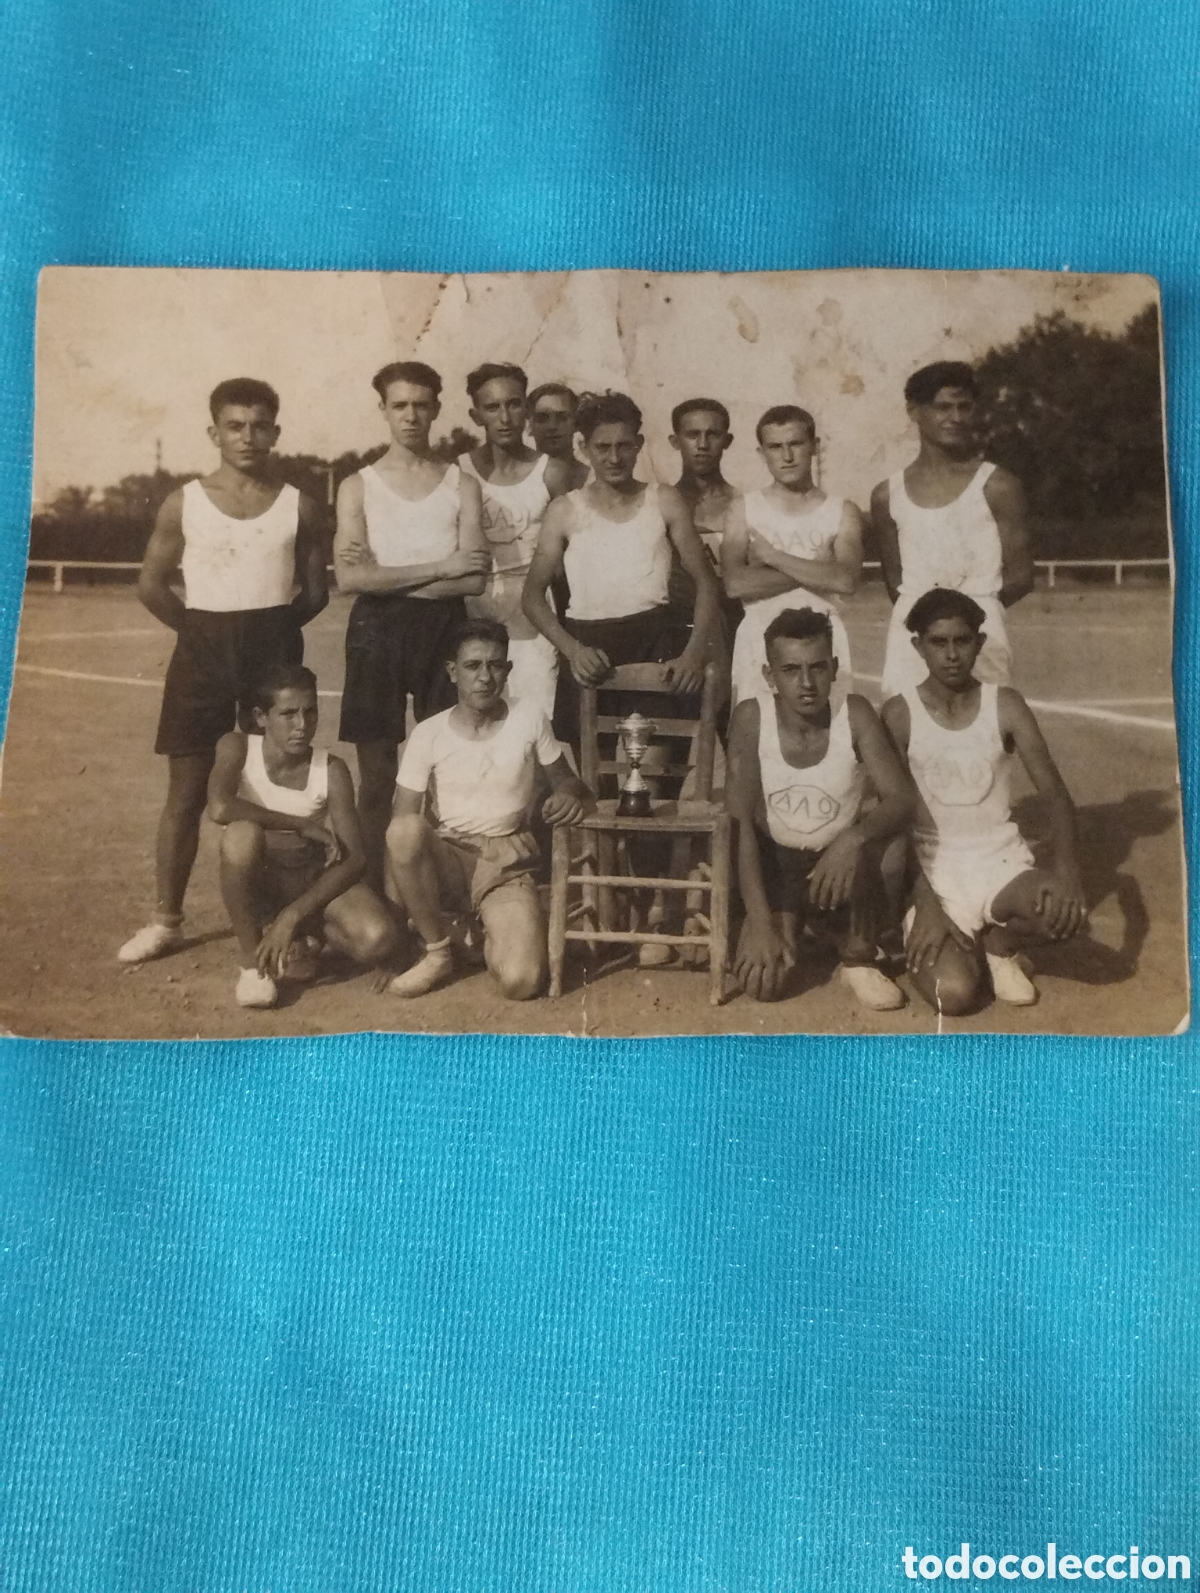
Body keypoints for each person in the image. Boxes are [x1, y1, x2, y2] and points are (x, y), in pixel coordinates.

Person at [117, 378, 328, 965]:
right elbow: (151, 586)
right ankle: (166, 920)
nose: (247, 437)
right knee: (187, 794)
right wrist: (199, 632)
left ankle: (285, 920)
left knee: (275, 789)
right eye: (235, 425)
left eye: (260, 426)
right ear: (214, 432)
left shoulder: (298, 504)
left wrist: (272, 632)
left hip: (273, 656)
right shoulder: (183, 501)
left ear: (276, 433)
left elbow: (316, 593)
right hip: (202, 656)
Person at [880, 589, 1086, 1014]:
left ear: (980, 642)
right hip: (934, 873)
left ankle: (1000, 944)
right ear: (918, 646)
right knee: (954, 994)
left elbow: (1056, 796)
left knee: (1065, 911)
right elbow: (893, 822)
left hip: (1000, 864)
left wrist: (1068, 875)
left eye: (962, 640)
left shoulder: (1005, 704)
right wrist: (926, 904)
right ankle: (951, 941)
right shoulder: (900, 714)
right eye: (939, 642)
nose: (952, 654)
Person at [333, 360, 488, 891]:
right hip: (376, 632)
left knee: (447, 769)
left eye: (421, 405)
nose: (411, 415)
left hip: (444, 628)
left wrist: (386, 578)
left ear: (437, 409)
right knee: (377, 776)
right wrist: (442, 566)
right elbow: (351, 579)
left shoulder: (462, 484)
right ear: (383, 409)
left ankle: (444, 896)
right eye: (399, 404)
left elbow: (472, 580)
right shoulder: (357, 485)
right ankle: (375, 896)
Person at [385, 620, 595, 1000]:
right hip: (449, 858)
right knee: (405, 830)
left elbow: (566, 780)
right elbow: (400, 828)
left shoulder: (528, 716)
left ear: (508, 670)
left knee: (522, 980)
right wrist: (399, 915)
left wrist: (567, 793)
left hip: (505, 863)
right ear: (453, 671)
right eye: (472, 666)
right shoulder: (428, 732)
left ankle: (475, 936)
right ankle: (438, 951)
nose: (485, 677)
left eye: (495, 665)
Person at [727, 608, 913, 1011]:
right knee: (764, 983)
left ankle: (857, 956)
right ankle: (796, 924)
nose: (807, 683)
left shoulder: (855, 713)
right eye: (791, 670)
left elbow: (901, 799)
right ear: (769, 675)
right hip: (778, 866)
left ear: (834, 668)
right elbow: (739, 827)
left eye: (817, 668)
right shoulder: (751, 717)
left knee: (893, 846)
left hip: (836, 867)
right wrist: (760, 924)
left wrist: (851, 840)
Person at [521, 389, 721, 731]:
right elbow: (532, 597)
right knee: (594, 763)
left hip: (654, 644)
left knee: (653, 758)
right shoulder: (565, 509)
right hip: (589, 650)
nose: (614, 458)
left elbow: (705, 582)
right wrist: (573, 651)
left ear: (639, 444)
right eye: (602, 447)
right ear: (583, 447)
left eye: (624, 446)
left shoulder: (664, 499)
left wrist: (693, 653)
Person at [206, 664, 398, 1008]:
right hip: (261, 884)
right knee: (240, 835)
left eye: (310, 712)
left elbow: (355, 858)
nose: (302, 725)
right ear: (261, 717)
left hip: (307, 884)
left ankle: (303, 936)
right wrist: (300, 824)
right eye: (288, 714)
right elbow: (220, 807)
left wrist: (292, 916)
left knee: (378, 939)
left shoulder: (331, 769)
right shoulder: (237, 746)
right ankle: (252, 964)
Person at [872, 361, 1034, 698]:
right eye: (943, 407)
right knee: (906, 725)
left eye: (965, 407)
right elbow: (896, 583)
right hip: (912, 636)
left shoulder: (998, 485)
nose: (956, 417)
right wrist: (929, 619)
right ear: (914, 411)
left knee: (985, 724)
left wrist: (969, 615)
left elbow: (1020, 577)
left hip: (981, 635)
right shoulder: (887, 494)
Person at [721, 404, 861, 709]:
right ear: (762, 453)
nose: (787, 456)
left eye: (796, 443)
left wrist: (773, 556)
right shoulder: (743, 508)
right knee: (757, 726)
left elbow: (846, 580)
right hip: (759, 637)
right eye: (775, 447)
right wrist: (820, 569)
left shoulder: (843, 510)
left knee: (831, 727)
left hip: (823, 638)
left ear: (815, 446)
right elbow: (735, 584)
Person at [458, 363, 578, 720]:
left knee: (533, 725)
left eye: (513, 404)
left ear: (526, 409)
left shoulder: (551, 471)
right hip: (473, 617)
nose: (505, 417)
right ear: (476, 415)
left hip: (534, 622)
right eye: (492, 407)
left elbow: (569, 557)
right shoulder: (458, 470)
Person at [667, 396, 745, 659]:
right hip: (679, 627)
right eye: (692, 435)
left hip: (736, 623)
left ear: (727, 441)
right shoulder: (662, 505)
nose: (702, 445)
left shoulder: (744, 504)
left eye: (713, 434)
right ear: (675, 441)